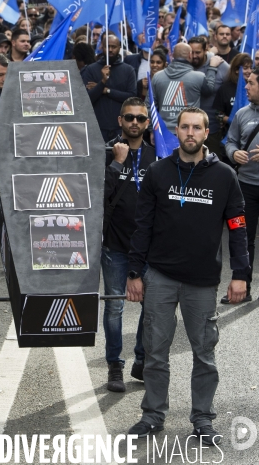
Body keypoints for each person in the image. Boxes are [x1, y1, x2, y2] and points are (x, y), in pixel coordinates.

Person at [126, 107, 249, 445]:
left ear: (206, 132)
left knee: (204, 354)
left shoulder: (225, 176)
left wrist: (241, 274)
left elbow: (238, 228)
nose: (190, 133)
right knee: (155, 352)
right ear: (175, 132)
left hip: (202, 281)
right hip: (160, 276)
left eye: (197, 127)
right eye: (184, 127)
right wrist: (135, 271)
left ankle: (203, 421)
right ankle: (152, 416)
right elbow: (143, 226)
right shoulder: (157, 172)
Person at [102, 98, 156, 392]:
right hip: (115, 245)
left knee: (151, 308)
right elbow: (99, 196)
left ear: (147, 123)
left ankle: (141, 360)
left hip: (148, 247)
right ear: (120, 121)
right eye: (129, 117)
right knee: (114, 309)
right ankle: (114, 365)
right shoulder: (108, 153)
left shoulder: (157, 156)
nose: (134, 122)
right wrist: (117, 163)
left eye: (140, 118)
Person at [225, 68, 259, 303]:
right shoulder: (242, 114)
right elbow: (230, 142)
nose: (245, 87)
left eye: (251, 83)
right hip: (246, 185)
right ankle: (242, 286)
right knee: (243, 236)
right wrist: (233, 152)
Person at [147, 43, 222, 134]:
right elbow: (209, 90)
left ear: (173, 56)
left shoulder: (157, 77)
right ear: (190, 55)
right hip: (189, 133)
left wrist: (152, 130)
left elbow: (149, 106)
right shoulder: (198, 77)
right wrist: (212, 68)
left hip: (163, 132)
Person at [82, 34, 137, 141]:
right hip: (98, 128)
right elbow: (87, 99)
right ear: (102, 47)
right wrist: (102, 82)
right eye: (108, 46)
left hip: (121, 128)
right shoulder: (91, 69)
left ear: (119, 48)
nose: (110, 50)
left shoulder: (128, 70)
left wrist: (106, 90)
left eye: (114, 46)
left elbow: (131, 97)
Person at [189, 35, 229, 156]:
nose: (194, 56)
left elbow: (230, 91)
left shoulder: (221, 65)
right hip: (189, 129)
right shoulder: (185, 65)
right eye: (191, 52)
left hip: (212, 129)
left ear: (206, 49)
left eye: (198, 52)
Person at [213, 53, 252, 133]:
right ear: (236, 70)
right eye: (245, 68)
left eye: (251, 68)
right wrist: (233, 121)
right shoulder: (225, 88)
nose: (249, 71)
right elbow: (218, 114)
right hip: (230, 134)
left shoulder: (255, 87)